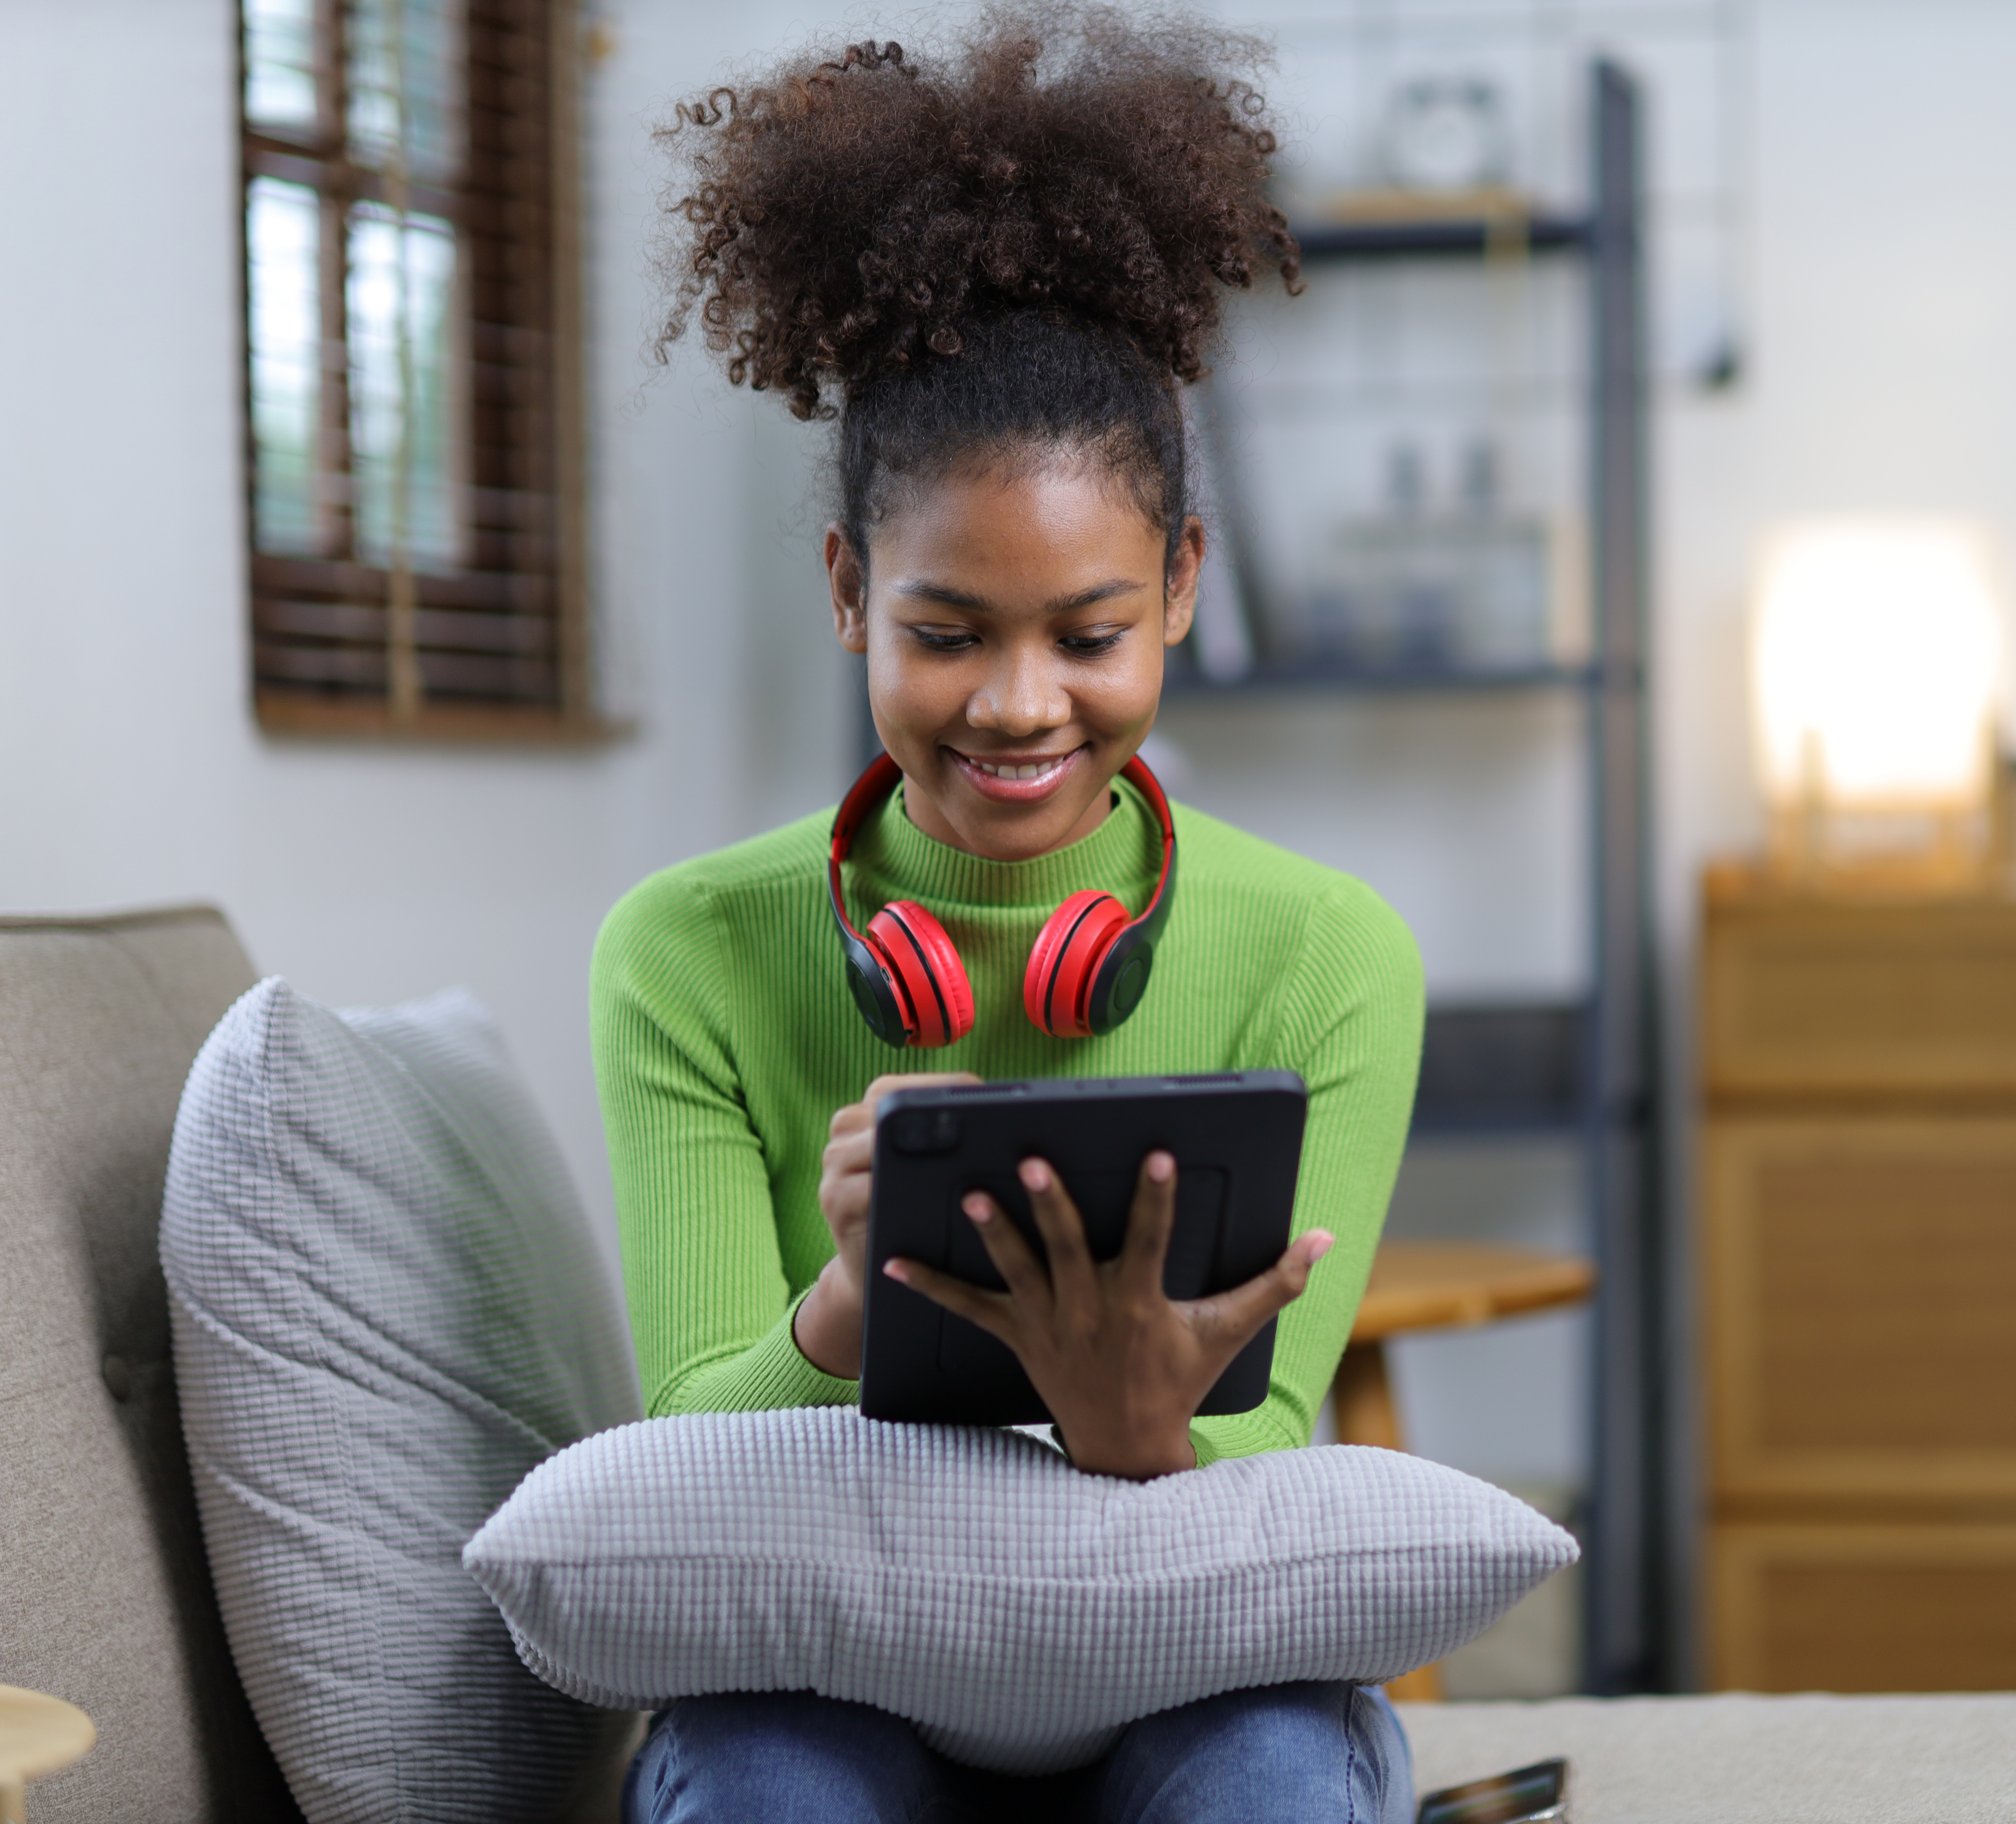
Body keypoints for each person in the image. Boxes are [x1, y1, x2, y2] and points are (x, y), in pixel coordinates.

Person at [588, 9, 1426, 1820]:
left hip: (1185, 1666)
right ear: (847, 591)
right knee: (757, 1789)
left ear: (1184, 585)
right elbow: (686, 1477)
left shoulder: (1327, 952)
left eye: (1090, 632)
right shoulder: (688, 949)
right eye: (949, 630)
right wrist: (834, 1306)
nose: (1020, 703)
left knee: (1277, 1779)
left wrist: (1137, 1420)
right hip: (830, 1677)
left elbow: (1271, 1448)